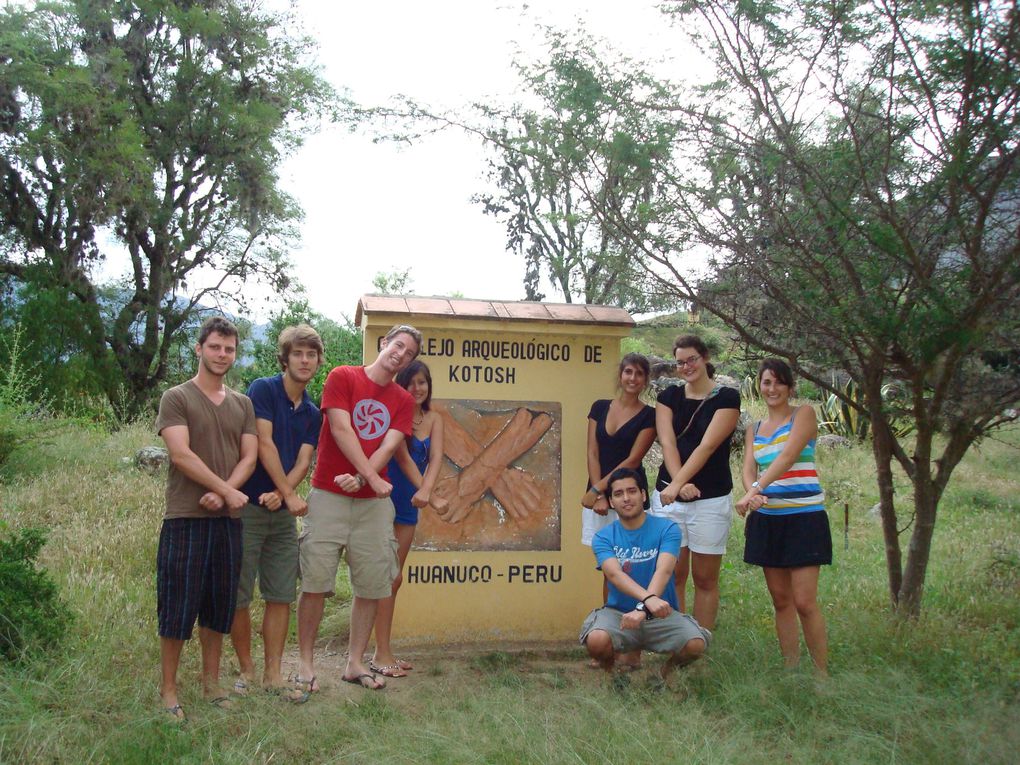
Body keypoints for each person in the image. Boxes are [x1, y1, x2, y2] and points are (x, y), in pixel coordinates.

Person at [295, 324, 422, 692]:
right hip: (329, 495)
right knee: (316, 582)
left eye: (409, 353)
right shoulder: (343, 376)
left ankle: (354, 663)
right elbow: (340, 428)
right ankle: (305, 664)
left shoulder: (401, 399)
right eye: (397, 346)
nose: (400, 355)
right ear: (384, 344)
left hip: (372, 505)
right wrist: (368, 474)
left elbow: (389, 444)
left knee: (371, 585)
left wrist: (365, 479)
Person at [155, 316, 258, 721]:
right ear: (199, 349)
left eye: (229, 348)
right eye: (215, 346)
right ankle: (168, 690)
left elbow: (249, 455)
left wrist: (224, 492)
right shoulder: (176, 397)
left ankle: (211, 684)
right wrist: (228, 490)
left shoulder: (242, 404)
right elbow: (181, 454)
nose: (222, 355)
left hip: (227, 521)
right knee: (177, 607)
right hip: (185, 517)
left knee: (219, 605)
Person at [229, 324, 323, 702]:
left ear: (318, 361)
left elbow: (304, 460)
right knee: (239, 594)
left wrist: (283, 495)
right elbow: (263, 442)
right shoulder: (263, 389)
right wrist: (285, 493)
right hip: (247, 506)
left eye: (311, 354)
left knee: (281, 594)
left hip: (281, 512)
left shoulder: (313, 411)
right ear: (285, 358)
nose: (304, 360)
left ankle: (273, 673)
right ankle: (247, 670)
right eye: (298, 353)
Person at [735, 359, 831, 675]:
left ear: (790, 387)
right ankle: (791, 667)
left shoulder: (803, 414)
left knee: (804, 601)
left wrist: (753, 491)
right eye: (766, 382)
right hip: (768, 519)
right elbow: (749, 468)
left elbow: (789, 457)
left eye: (778, 382)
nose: (772, 389)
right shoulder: (754, 430)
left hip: (804, 518)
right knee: (781, 601)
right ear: (759, 387)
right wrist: (755, 492)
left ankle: (821, 673)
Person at [580, 468, 711, 676]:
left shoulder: (668, 529)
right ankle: (613, 676)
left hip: (660, 616)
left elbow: (664, 570)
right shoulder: (603, 537)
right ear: (612, 502)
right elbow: (615, 575)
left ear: (643, 495)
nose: (626, 498)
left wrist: (642, 609)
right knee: (596, 640)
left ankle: (664, 674)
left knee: (696, 644)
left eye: (632, 491)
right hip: (619, 615)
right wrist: (648, 600)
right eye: (618, 494)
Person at [650, 334, 740, 630]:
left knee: (705, 578)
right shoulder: (668, 398)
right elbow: (667, 443)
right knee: (673, 573)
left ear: (704, 359)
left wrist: (678, 485)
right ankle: (677, 636)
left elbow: (707, 446)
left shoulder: (727, 398)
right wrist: (677, 484)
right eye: (680, 362)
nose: (687, 366)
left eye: (692, 360)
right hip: (669, 498)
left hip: (710, 498)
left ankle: (700, 640)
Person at [369, 359, 444, 678]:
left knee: (394, 577)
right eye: (410, 382)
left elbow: (437, 457)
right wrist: (425, 490)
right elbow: (400, 455)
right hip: (385, 496)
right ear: (401, 384)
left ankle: (382, 651)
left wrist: (427, 491)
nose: (417, 388)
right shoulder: (394, 415)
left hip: (411, 502)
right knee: (384, 576)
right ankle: (378, 654)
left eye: (422, 382)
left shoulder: (435, 418)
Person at [581, 353, 656, 670]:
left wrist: (601, 491)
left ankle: (633, 651)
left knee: (634, 570)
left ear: (645, 380)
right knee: (608, 571)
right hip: (599, 499)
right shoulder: (599, 407)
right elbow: (592, 450)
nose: (632, 378)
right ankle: (609, 643)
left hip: (628, 499)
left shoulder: (649, 416)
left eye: (639, 374)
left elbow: (633, 460)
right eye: (628, 372)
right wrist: (597, 493)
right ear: (620, 374)